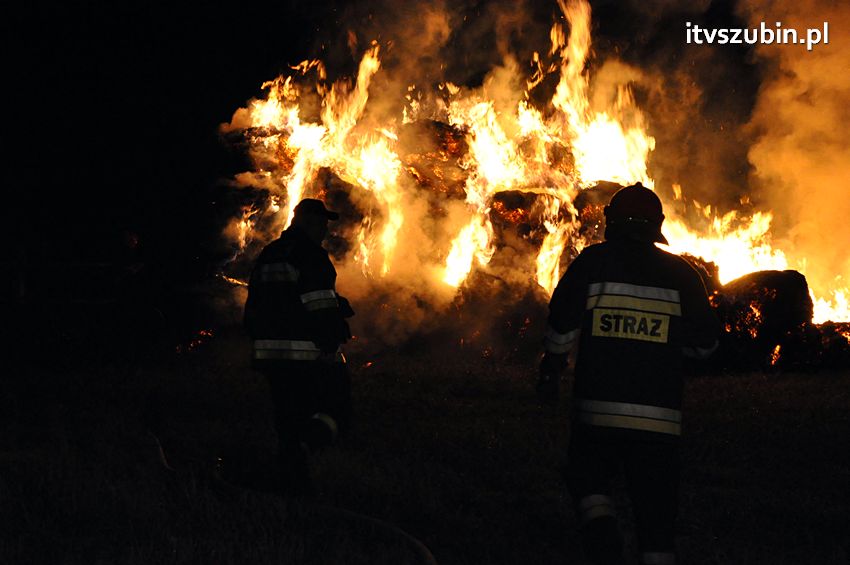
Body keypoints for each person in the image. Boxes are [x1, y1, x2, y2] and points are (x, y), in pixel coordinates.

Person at [538, 183, 719, 565]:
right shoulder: (682, 274)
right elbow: (705, 345)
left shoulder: (593, 263)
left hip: (596, 413)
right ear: (658, 225)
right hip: (660, 422)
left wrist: (551, 369)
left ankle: (602, 533)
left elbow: (562, 325)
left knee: (587, 478)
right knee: (656, 516)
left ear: (611, 221)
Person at [244, 197, 355, 495]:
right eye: (321, 223)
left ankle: (289, 475)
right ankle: (305, 453)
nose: (325, 230)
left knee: (287, 416)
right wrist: (332, 340)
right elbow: (318, 306)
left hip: (270, 356)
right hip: (305, 355)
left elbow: (264, 300)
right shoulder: (311, 255)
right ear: (307, 223)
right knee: (335, 407)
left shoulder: (270, 253)